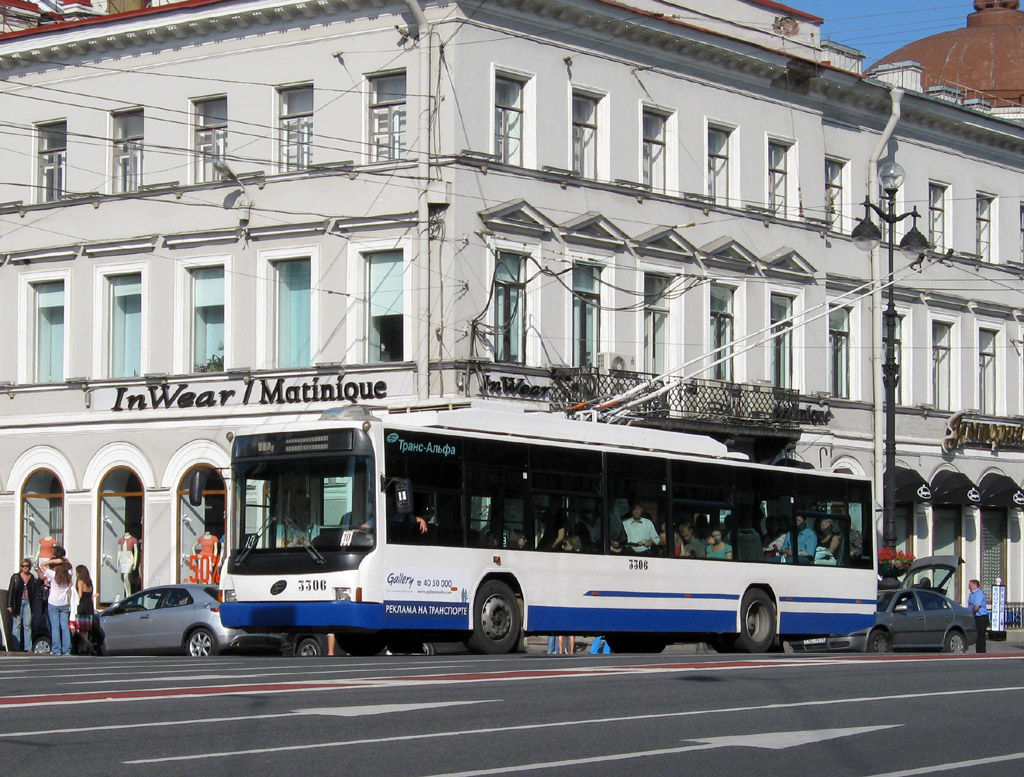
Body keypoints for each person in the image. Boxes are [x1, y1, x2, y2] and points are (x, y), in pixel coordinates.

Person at [40, 548, 73, 656]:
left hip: (53, 603)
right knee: (64, 626)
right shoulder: (69, 574)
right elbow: (71, 567)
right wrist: (65, 560)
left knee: (55, 627)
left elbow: (42, 565)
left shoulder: (53, 575)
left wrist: (52, 561)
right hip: (64, 603)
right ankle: (67, 650)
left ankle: (56, 649)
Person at [7, 558, 40, 652]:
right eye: (23, 566)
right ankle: (16, 646)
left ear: (29, 567)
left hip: (28, 603)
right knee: (17, 624)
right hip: (17, 603)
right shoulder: (16, 577)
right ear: (21, 567)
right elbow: (11, 591)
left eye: (27, 566)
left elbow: (35, 590)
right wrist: (9, 605)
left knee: (27, 625)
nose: (25, 568)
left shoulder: (32, 577)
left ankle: (28, 647)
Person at [74, 565, 100, 655]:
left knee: (80, 628)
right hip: (89, 605)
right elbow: (89, 595)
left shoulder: (80, 581)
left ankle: (88, 644)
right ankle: (85, 647)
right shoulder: (89, 582)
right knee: (86, 628)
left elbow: (80, 595)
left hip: (82, 605)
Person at [967, 579, 990, 654]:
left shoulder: (979, 593)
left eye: (969, 586)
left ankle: (981, 652)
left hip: (981, 617)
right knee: (977, 635)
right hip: (975, 617)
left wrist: (971, 613)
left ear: (974, 585)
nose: (968, 587)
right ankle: (978, 651)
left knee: (980, 635)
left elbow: (977, 607)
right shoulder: (972, 594)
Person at [117, 532, 139, 598]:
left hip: (129, 559)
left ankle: (129, 594)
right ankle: (127, 593)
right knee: (124, 578)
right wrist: (117, 561)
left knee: (126, 577)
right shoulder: (120, 540)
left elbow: (136, 551)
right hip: (122, 559)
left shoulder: (133, 539)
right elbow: (119, 551)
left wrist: (135, 563)